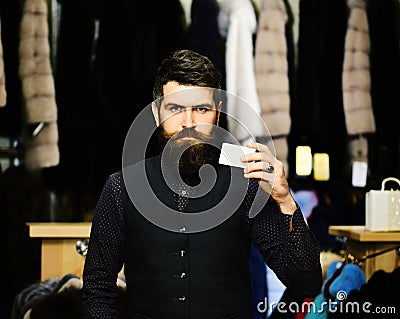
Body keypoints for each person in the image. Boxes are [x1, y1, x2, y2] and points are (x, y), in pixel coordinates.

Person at [82, 49, 322, 319]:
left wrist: (285, 200)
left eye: (201, 109)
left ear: (217, 113)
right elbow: (97, 290)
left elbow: (306, 283)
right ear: (156, 112)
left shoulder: (247, 184)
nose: (188, 123)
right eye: (175, 108)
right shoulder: (121, 188)